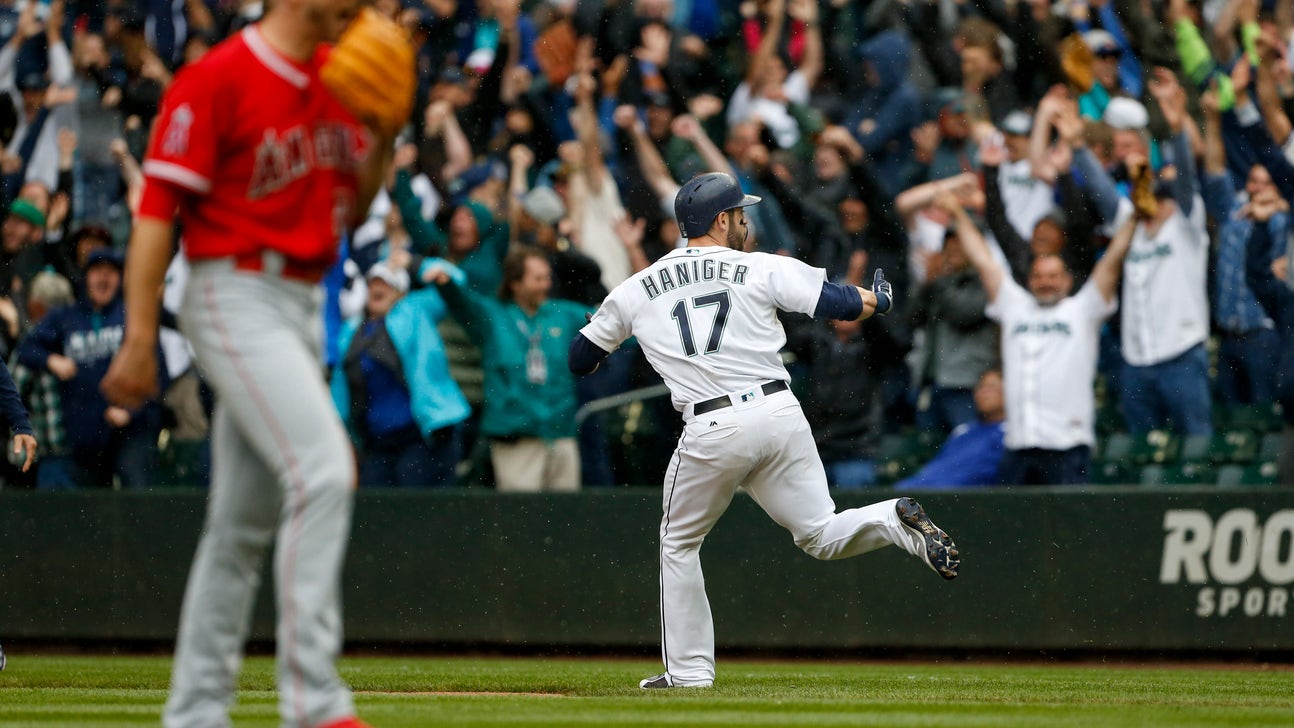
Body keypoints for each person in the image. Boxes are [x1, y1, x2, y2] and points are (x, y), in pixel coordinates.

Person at [99, 0, 397, 725]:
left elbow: (351, 212)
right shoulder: (217, 78)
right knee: (324, 471)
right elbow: (155, 213)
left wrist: (384, 135)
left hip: (299, 302)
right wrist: (139, 336)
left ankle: (196, 710)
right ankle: (316, 703)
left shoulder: (342, 75)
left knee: (237, 525)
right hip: (231, 291)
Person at [570, 172, 960, 689]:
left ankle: (688, 674)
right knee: (820, 533)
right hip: (779, 414)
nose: (744, 222)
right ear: (720, 220)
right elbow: (840, 303)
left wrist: (633, 334)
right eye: (738, 214)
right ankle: (893, 519)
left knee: (678, 544)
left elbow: (580, 359)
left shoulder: (638, 286)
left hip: (712, 423)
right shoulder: (759, 267)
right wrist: (881, 299)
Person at [941, 185, 1138, 486]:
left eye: (1053, 276)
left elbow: (1111, 262)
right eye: (1038, 276)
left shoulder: (1083, 309)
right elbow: (983, 260)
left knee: (1068, 531)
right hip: (1019, 445)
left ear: (1067, 280)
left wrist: (1135, 218)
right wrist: (957, 213)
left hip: (1067, 445)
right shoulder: (1014, 306)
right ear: (1029, 280)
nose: (1045, 282)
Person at [897, 368, 1006, 488]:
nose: (983, 392)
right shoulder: (963, 430)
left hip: (961, 498)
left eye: (991, 387)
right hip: (923, 492)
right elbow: (938, 468)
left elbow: (976, 474)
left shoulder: (1010, 435)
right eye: (981, 387)